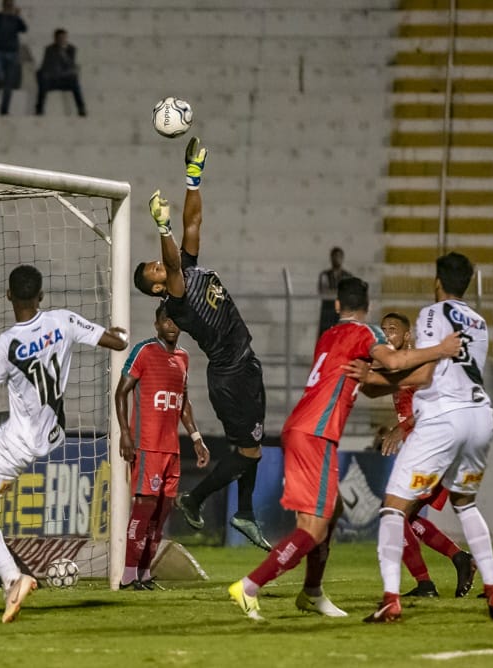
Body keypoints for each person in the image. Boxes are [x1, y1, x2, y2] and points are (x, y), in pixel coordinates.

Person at [226, 277, 462, 621]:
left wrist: (412, 374)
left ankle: (312, 592)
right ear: (367, 307)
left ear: (337, 306)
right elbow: (394, 364)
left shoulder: (328, 336)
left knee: (331, 511)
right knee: (312, 527)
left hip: (302, 427)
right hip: (316, 434)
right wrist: (439, 351)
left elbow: (368, 385)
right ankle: (249, 586)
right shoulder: (367, 334)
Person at [0, 264, 128, 623]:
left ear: (8, 295)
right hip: (53, 430)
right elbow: (116, 342)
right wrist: (120, 333)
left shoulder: (7, 345)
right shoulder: (64, 321)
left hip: (20, 440)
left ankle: (13, 578)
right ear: (40, 296)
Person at [134, 137, 271, 551]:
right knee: (248, 452)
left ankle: (245, 513)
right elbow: (174, 259)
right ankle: (195, 499)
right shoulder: (176, 299)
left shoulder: (186, 269)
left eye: (158, 261)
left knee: (254, 445)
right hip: (230, 374)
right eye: (154, 269)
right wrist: (162, 227)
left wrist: (193, 177)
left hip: (244, 362)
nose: (160, 263)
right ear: (157, 286)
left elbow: (194, 224)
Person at [357, 252, 493, 623]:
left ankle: (391, 598)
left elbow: (425, 375)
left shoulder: (431, 314)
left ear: (437, 280)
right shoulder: (479, 321)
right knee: (465, 503)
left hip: (444, 416)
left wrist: (374, 380)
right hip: (480, 417)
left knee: (394, 507)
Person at [358, 312, 476, 599]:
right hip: (421, 447)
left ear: (407, 335)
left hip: (433, 446)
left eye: (394, 330)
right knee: (404, 518)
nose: (388, 335)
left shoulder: (421, 363)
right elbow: (374, 385)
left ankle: (426, 583)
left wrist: (404, 426)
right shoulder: (398, 364)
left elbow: (435, 406)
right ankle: (458, 559)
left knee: (394, 515)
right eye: (384, 330)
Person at [115, 305, 210, 590]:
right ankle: (128, 575)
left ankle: (144, 573)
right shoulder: (144, 352)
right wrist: (125, 434)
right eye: (165, 320)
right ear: (156, 324)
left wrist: (196, 438)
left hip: (172, 450)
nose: (171, 325)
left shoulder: (183, 357)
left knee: (162, 513)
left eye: (175, 320)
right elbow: (122, 391)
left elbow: (183, 402)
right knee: (144, 510)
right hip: (147, 447)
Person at [0, 0, 27, 116]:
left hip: (12, 53)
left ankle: (4, 110)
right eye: (7, 5)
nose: (9, 7)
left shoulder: (15, 19)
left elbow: (24, 29)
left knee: (8, 84)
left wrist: (17, 17)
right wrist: (5, 16)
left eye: (11, 5)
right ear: (3, 6)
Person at [35, 29, 86, 117]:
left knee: (75, 81)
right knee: (42, 79)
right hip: (52, 79)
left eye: (64, 37)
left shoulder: (71, 49)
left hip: (65, 79)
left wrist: (63, 54)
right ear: (55, 38)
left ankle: (81, 108)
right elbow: (46, 65)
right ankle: (39, 109)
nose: (62, 39)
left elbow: (71, 66)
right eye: (60, 38)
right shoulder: (49, 49)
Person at [317, 247, 352, 336]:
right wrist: (340, 291)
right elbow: (323, 291)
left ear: (342, 258)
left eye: (339, 256)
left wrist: (333, 291)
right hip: (327, 311)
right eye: (334, 256)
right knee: (325, 337)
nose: (337, 259)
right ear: (331, 258)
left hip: (342, 312)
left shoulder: (348, 276)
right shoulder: (324, 274)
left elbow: (348, 292)